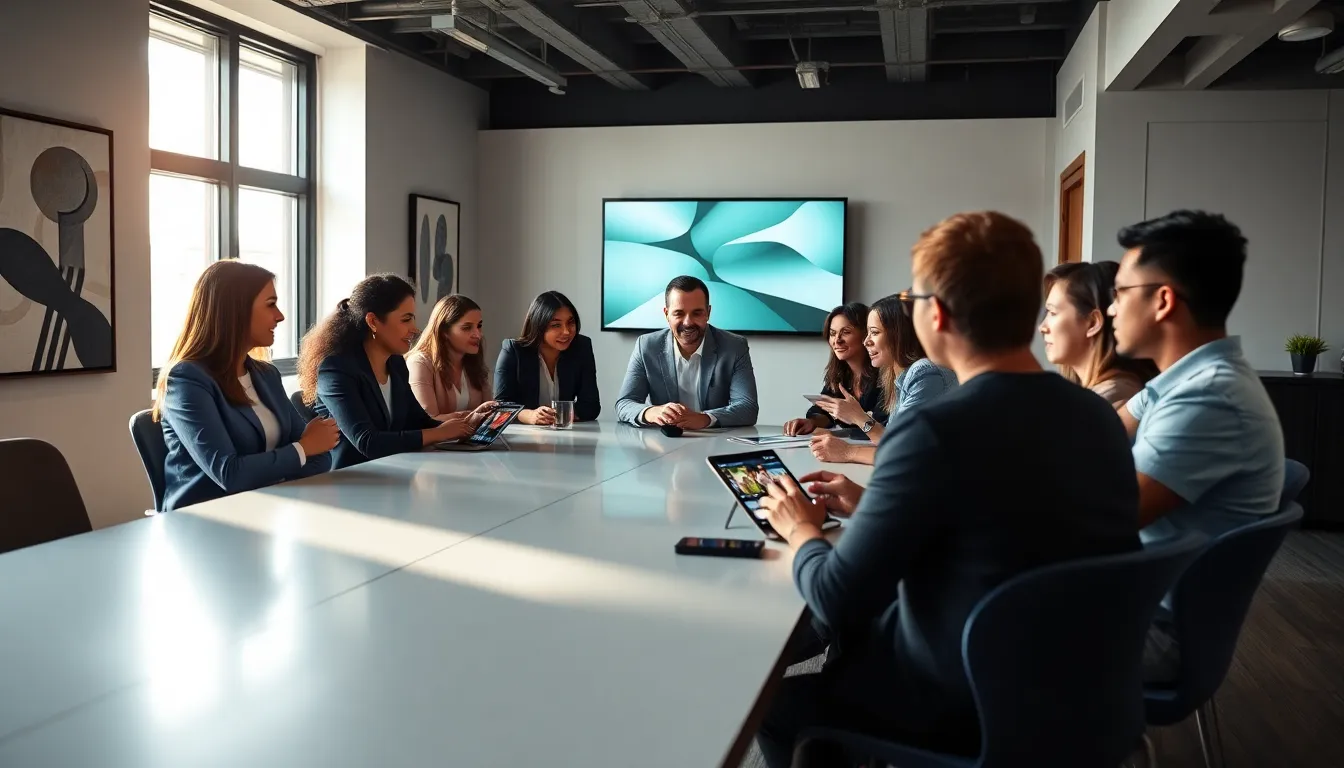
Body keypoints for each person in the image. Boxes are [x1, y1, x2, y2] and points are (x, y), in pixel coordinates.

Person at [754, 211, 1140, 767]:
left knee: (780, 703)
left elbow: (836, 596)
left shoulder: (933, 430)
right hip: (1079, 687)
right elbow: (995, 525)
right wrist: (872, 505)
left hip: (966, 702)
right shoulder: (1097, 415)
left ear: (934, 313)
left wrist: (800, 529)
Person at [1108, 210, 1284, 541]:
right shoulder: (1181, 382)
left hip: (1140, 574)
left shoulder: (1208, 396)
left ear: (1162, 301)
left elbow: (1105, 518)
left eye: (1119, 292)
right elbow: (1101, 436)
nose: (1111, 309)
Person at [156, 261, 338, 511]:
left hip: (266, 509)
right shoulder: (186, 380)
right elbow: (230, 474)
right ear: (235, 311)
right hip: (204, 519)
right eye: (270, 304)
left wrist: (302, 452)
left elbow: (320, 457)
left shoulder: (267, 374)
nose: (280, 316)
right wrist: (302, 449)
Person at [297, 273, 473, 469]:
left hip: (395, 471)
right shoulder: (336, 370)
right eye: (406, 320)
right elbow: (367, 442)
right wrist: (440, 433)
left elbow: (418, 422)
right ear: (373, 321)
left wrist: (466, 423)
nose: (415, 329)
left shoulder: (396, 363)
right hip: (352, 479)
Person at [810, 294, 956, 465]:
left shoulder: (924, 372)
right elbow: (891, 439)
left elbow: (901, 451)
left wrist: (848, 448)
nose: (866, 342)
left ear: (899, 334)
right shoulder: (898, 377)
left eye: (874, 332)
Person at [615, 275, 759, 428]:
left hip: (715, 438)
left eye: (697, 313)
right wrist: (651, 412)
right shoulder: (646, 346)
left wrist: (705, 419)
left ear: (708, 312)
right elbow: (624, 403)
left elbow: (747, 408)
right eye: (679, 313)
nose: (688, 322)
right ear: (666, 314)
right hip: (663, 438)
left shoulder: (734, 346)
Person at [1041, 261, 1157, 407]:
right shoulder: (1098, 396)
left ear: (1093, 323)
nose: (1042, 327)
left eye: (1053, 313)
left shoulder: (1108, 400)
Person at [493, 291, 601, 425]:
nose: (566, 331)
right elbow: (500, 407)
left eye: (570, 322)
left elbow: (591, 406)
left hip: (565, 432)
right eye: (556, 325)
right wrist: (530, 415)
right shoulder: (513, 350)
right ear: (538, 326)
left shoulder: (581, 347)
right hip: (524, 433)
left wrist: (555, 414)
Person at [783, 303, 884, 437]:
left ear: (866, 334)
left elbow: (883, 429)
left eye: (846, 332)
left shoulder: (886, 377)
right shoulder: (840, 374)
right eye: (832, 334)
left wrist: (841, 431)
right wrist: (812, 422)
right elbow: (824, 411)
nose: (837, 340)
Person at [407, 294, 498, 423]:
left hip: (471, 436)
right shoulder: (420, 363)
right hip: (437, 437)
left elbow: (490, 415)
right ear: (444, 331)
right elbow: (429, 420)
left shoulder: (472, 362)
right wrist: (473, 416)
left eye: (479, 326)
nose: (478, 334)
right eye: (467, 328)